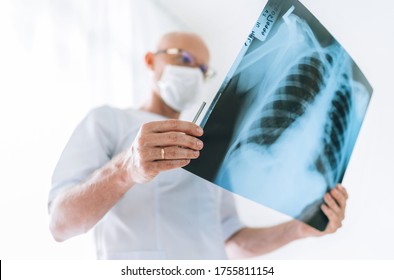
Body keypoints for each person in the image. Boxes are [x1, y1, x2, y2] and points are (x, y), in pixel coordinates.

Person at [48, 31, 348, 260]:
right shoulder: (108, 121)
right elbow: (60, 224)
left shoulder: (210, 140)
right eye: (184, 59)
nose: (194, 73)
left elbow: (232, 240)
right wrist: (126, 169)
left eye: (203, 69)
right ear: (151, 61)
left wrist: (297, 229)